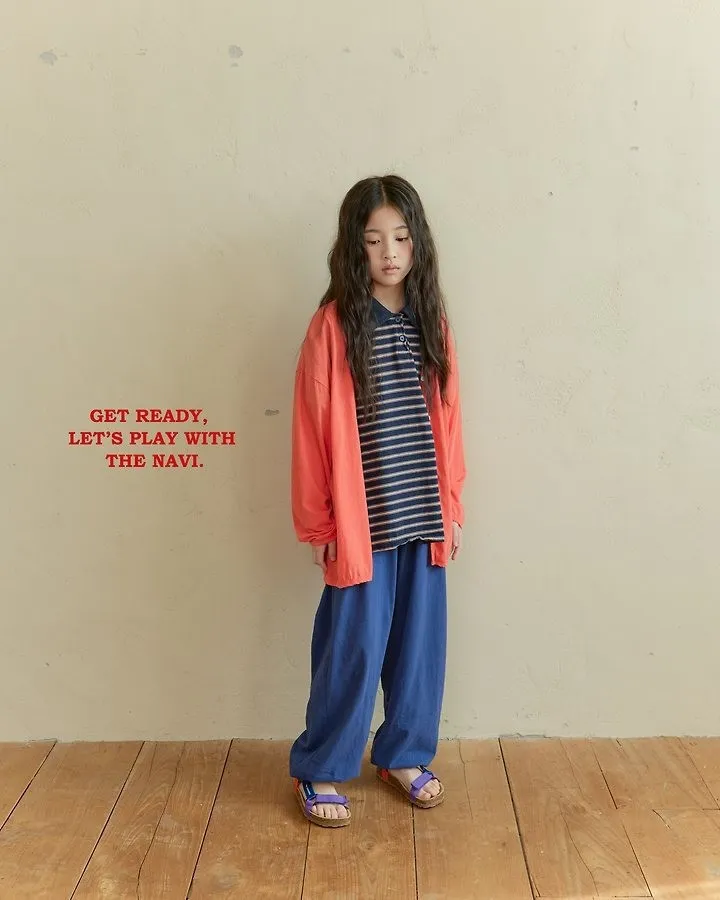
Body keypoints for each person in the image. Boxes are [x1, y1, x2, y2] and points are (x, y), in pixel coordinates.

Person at [289, 174, 466, 828]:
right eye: (373, 240)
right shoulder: (332, 326)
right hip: (362, 522)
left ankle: (403, 756)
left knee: (419, 650)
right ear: (353, 247)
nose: (389, 252)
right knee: (353, 649)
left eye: (400, 237)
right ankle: (320, 767)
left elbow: (450, 422)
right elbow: (310, 431)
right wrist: (321, 524)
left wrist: (451, 508)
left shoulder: (431, 323)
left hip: (423, 514)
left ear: (418, 242)